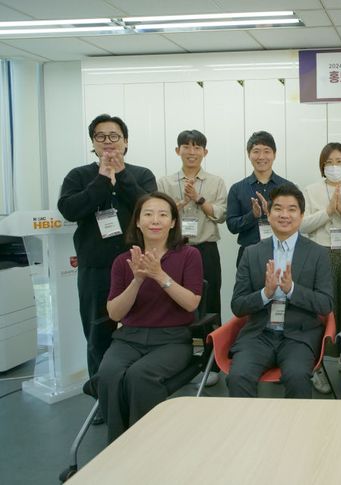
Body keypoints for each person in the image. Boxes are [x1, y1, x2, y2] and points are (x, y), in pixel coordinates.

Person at [57, 114, 157, 393]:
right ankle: (103, 395)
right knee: (97, 332)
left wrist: (122, 176)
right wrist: (101, 180)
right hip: (95, 268)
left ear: (126, 142)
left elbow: (150, 209)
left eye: (114, 136)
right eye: (100, 136)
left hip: (137, 266)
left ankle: (138, 389)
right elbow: (69, 210)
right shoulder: (78, 176)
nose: (108, 141)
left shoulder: (142, 174)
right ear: (93, 143)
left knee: (142, 327)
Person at [96, 192, 203, 443]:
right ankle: (118, 444)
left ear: (173, 222)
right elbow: (115, 313)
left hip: (173, 340)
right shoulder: (123, 261)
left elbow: (191, 303)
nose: (155, 220)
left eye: (163, 215)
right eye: (148, 214)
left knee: (140, 376)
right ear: (137, 221)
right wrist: (137, 280)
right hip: (129, 339)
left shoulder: (189, 255)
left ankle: (146, 444)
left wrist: (159, 275)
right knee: (109, 373)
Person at [227, 184, 333, 399]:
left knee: (297, 376)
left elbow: (325, 304)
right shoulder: (251, 253)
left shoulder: (318, 254)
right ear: (268, 213)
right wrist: (265, 293)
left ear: (301, 216)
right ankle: (245, 422)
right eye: (278, 208)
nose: (284, 215)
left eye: (292, 209)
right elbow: (238, 306)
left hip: (299, 335)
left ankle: (295, 423)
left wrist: (291, 289)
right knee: (238, 377)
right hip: (259, 334)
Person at [300, 142, 341, 393]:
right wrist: (327, 212)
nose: (335, 167)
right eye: (329, 162)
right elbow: (303, 225)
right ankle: (317, 366)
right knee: (321, 309)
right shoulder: (310, 190)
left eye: (339, 162)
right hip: (320, 252)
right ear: (322, 166)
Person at [157, 130, 227, 315]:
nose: (191, 152)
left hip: (207, 250)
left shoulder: (216, 182)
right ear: (177, 150)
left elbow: (221, 215)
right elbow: (159, 215)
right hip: (174, 248)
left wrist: (199, 199)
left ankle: (211, 335)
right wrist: (180, 204)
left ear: (205, 152)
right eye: (186, 147)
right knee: (175, 298)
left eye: (197, 148)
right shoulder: (165, 183)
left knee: (210, 300)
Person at [226, 131, 294, 266]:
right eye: (256, 151)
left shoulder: (288, 188)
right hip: (249, 254)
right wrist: (253, 215)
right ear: (249, 155)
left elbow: (295, 221)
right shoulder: (237, 189)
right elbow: (232, 226)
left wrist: (273, 214)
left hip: (282, 252)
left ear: (274, 154)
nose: (261, 156)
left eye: (267, 151)